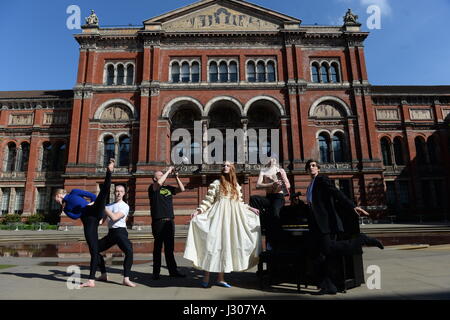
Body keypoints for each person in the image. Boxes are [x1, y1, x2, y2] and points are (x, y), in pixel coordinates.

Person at [304, 159, 384, 295]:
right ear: (306, 170)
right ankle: (329, 286)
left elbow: (336, 192)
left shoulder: (322, 179)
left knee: (328, 249)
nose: (311, 168)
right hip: (316, 224)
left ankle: (361, 240)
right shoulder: (310, 185)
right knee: (320, 256)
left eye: (314, 166)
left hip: (326, 223)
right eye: (309, 166)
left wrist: (352, 206)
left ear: (318, 169)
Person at [184, 161, 262, 288]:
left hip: (231, 219)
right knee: (212, 245)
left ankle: (220, 278)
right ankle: (207, 276)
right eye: (223, 165)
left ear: (232, 168)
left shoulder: (236, 185)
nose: (224, 167)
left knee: (225, 246)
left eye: (227, 165)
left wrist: (250, 209)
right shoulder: (216, 184)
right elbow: (208, 200)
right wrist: (199, 210)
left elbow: (240, 202)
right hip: (218, 217)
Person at [54, 159, 115, 288]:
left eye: (57, 199)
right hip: (88, 220)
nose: (57, 201)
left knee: (103, 193)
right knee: (94, 249)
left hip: (93, 210)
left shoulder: (74, 192)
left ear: (59, 195)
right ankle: (102, 274)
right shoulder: (66, 208)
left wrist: (90, 204)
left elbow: (92, 196)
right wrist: (69, 208)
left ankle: (109, 171)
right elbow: (76, 217)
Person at [148, 166, 186, 280]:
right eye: (160, 175)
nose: (162, 176)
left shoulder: (168, 188)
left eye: (162, 174)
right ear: (155, 178)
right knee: (158, 248)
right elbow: (159, 183)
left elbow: (182, 189)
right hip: (158, 221)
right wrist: (169, 170)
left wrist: (176, 177)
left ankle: (173, 271)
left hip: (170, 221)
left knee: (169, 248)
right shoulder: (153, 188)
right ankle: (156, 272)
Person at [96, 184, 135, 287]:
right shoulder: (109, 206)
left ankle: (126, 278)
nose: (118, 193)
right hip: (111, 233)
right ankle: (103, 274)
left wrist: (103, 207)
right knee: (95, 249)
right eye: (117, 191)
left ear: (124, 193)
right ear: (114, 192)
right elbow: (101, 221)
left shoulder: (124, 206)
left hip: (120, 232)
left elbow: (114, 217)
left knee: (129, 251)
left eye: (121, 191)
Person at [250, 157, 290, 251]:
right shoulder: (263, 171)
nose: (272, 160)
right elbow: (258, 185)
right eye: (270, 159)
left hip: (278, 197)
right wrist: (271, 184)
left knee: (275, 212)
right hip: (269, 197)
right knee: (254, 199)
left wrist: (281, 184)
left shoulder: (280, 171)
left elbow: (288, 185)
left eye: (274, 159)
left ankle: (277, 240)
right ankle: (262, 223)